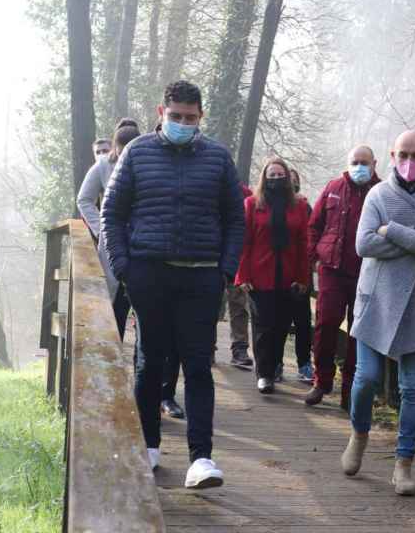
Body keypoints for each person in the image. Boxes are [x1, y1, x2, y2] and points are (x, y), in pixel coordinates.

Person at [101, 80, 244, 489]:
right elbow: (111, 212)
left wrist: (225, 271)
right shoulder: (137, 152)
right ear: (161, 113)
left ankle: (201, 458)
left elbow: (235, 218)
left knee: (199, 365)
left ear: (201, 116)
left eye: (190, 117)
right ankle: (148, 446)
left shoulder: (218, 158)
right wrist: (124, 267)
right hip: (149, 273)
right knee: (150, 363)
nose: (183, 123)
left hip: (201, 276)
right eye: (176, 116)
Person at [340, 131, 415, 496]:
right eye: (403, 154)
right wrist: (414, 238)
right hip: (377, 301)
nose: (409, 161)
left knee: (412, 388)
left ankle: (404, 464)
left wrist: (393, 231)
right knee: (366, 378)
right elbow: (363, 243)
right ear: (391, 155)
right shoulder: (378, 195)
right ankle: (359, 434)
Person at [303, 145, 380, 407]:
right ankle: (321, 381)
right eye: (355, 162)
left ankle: (350, 390)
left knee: (358, 332)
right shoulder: (333, 188)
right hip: (331, 271)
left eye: (364, 162)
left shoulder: (381, 192)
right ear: (348, 163)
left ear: (374, 164)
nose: (360, 167)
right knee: (325, 326)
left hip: (366, 273)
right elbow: (314, 225)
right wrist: (314, 257)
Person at [235, 156, 311, 394]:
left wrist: (303, 277)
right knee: (263, 325)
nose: (276, 179)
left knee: (281, 326)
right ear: (264, 178)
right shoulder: (251, 204)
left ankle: (275, 364)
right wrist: (242, 275)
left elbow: (303, 243)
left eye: (280, 175)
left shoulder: (298, 206)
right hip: (259, 274)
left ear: (287, 178)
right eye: (272, 175)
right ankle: (264, 373)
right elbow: (244, 242)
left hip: (288, 275)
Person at [77, 123, 139, 340]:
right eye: (122, 151)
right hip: (114, 242)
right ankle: (114, 351)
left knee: (146, 309)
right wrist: (100, 227)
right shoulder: (104, 165)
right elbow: (84, 199)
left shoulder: (150, 161)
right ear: (116, 147)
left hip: (146, 242)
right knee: (117, 303)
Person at [225, 182, 255, 370]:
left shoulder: (245, 193)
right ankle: (206, 348)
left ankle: (240, 349)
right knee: (208, 305)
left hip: (236, 255)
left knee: (238, 305)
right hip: (209, 253)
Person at [289, 168, 314, 384]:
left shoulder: (305, 207)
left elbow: (311, 239)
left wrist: (305, 275)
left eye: (294, 180)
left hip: (301, 273)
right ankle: (274, 363)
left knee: (303, 322)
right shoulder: (267, 207)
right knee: (276, 324)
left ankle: (304, 363)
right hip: (275, 274)